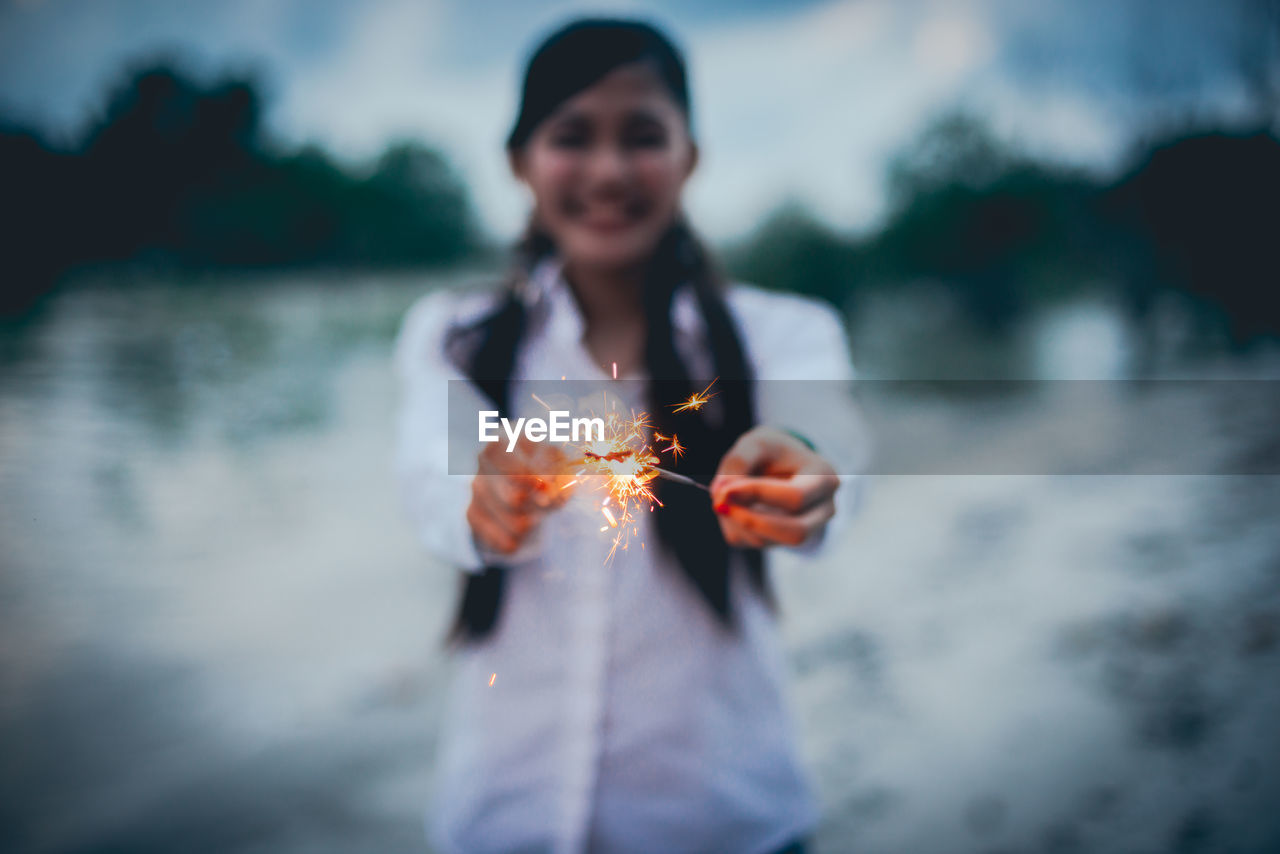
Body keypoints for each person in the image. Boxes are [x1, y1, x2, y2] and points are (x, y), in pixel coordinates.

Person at [395, 18, 864, 854]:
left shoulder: (784, 335)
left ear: (690, 157)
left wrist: (797, 477)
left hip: (726, 817)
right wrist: (480, 495)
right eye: (572, 136)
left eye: (643, 137)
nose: (609, 170)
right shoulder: (451, 334)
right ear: (518, 160)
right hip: (504, 814)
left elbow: (828, 448)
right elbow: (430, 467)